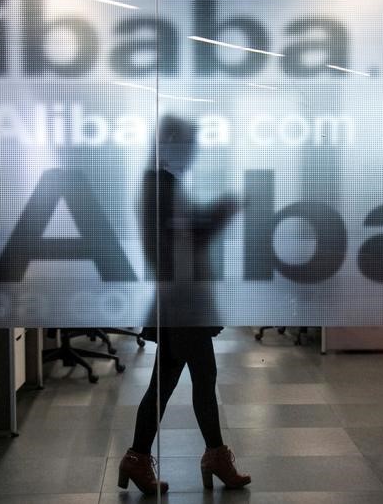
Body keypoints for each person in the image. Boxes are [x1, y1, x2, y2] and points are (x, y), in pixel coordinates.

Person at [117, 116, 251, 495]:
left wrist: (214, 217)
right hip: (182, 300)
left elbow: (185, 234)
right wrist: (221, 214)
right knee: (202, 376)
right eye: (188, 144)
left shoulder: (160, 183)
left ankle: (138, 457)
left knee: (167, 381)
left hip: (182, 297)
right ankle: (214, 456)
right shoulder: (159, 185)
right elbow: (184, 239)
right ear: (171, 144)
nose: (193, 152)